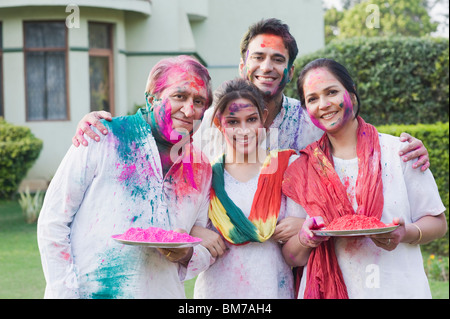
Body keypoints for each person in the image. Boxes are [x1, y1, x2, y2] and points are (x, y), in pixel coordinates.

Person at [37, 55, 215, 299]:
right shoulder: (102, 135)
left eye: (199, 101)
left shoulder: (201, 167)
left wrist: (187, 254)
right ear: (152, 98)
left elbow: (205, 241)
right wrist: (64, 292)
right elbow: (53, 221)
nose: (188, 109)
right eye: (179, 96)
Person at [281, 58, 447, 299]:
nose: (324, 104)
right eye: (313, 99)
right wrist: (306, 237)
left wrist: (405, 233)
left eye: (332, 92)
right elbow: (291, 257)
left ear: (352, 93)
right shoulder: (303, 168)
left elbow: (438, 223)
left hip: (398, 290)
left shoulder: (399, 152)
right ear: (306, 110)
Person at [193, 78, 303, 298]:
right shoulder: (205, 175)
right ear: (218, 123)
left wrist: (304, 226)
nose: (243, 130)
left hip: (273, 290)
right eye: (233, 122)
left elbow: (299, 252)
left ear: (263, 117)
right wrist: (194, 234)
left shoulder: (287, 167)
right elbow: (176, 228)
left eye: (251, 119)